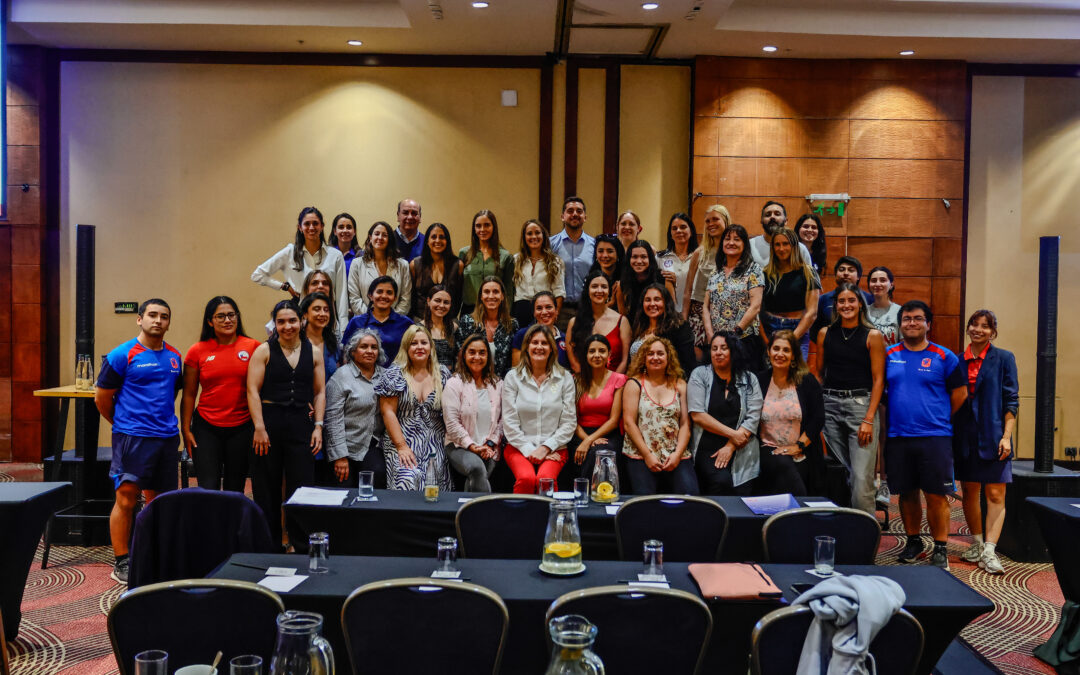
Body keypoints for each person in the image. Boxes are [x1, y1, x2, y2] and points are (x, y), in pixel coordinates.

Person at [95, 299, 183, 584]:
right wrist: (124, 425)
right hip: (133, 438)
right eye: (152, 315)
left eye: (164, 317)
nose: (158, 321)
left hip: (167, 438)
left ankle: (153, 552)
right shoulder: (121, 355)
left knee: (159, 500)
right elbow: (102, 399)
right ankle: (122, 560)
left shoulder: (174, 357)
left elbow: (171, 394)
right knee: (126, 498)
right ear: (140, 319)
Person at [886, 300, 967, 570]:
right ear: (900, 324)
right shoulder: (889, 354)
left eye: (918, 318)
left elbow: (960, 394)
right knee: (906, 494)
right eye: (907, 318)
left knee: (936, 495)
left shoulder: (944, 357)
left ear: (928, 324)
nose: (911, 323)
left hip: (935, 437)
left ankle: (941, 546)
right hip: (898, 436)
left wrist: (940, 417)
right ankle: (913, 541)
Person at [247, 300, 326, 549]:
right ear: (275, 324)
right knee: (266, 486)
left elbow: (321, 392)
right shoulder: (264, 351)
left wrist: (318, 426)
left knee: (302, 486)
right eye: (281, 321)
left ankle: (301, 544)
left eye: (292, 320)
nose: (287, 326)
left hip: (301, 423)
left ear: (301, 321)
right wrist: (259, 427)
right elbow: (252, 390)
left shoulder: (313, 351)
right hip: (268, 422)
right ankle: (268, 545)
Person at [954, 310, 1018, 575]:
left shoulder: (1004, 358)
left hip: (994, 436)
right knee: (969, 491)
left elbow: (1011, 400)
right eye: (974, 324)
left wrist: (1007, 436)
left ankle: (990, 550)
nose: (978, 329)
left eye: (985, 326)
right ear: (968, 328)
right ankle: (977, 543)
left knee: (995, 494)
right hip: (964, 436)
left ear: (993, 331)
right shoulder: (956, 360)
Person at [814, 284, 886, 515]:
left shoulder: (872, 336)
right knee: (840, 473)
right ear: (835, 305)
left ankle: (864, 538)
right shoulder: (825, 333)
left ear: (860, 304)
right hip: (830, 405)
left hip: (860, 407)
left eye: (851, 301)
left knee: (861, 477)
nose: (846, 305)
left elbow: (878, 379)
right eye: (841, 301)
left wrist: (868, 418)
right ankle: (842, 526)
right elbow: (819, 372)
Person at [181, 296, 260, 493]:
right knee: (208, 489)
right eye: (221, 316)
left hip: (242, 427)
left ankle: (232, 525)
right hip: (206, 428)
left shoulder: (253, 347)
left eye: (231, 315)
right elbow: (189, 394)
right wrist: (186, 429)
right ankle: (210, 525)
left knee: (235, 489)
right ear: (210, 321)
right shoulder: (197, 351)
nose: (227, 320)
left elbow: (263, 389)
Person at [501, 324, 577, 494]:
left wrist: (546, 448)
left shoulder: (564, 378)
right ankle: (518, 521)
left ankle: (550, 521)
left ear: (551, 348)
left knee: (546, 481)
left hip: (555, 448)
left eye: (544, 343)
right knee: (526, 479)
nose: (539, 347)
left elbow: (569, 422)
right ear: (526, 347)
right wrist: (531, 451)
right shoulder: (513, 377)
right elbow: (509, 423)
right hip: (518, 446)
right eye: (534, 342)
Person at [376, 325, 452, 491]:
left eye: (423, 343)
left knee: (434, 483)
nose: (419, 347)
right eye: (413, 343)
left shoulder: (443, 374)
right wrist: (401, 446)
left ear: (430, 346)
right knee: (408, 477)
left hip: (435, 440)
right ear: (406, 347)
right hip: (402, 438)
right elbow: (387, 412)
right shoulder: (395, 374)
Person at [688, 333, 763, 496]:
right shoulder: (700, 374)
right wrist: (733, 435)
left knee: (742, 494)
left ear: (734, 351)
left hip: (742, 448)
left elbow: (753, 417)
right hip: (708, 446)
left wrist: (731, 445)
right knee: (721, 482)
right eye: (714, 348)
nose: (718, 352)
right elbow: (697, 414)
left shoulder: (750, 379)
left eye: (724, 348)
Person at [251, 206, 348, 331]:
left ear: (322, 226)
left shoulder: (335, 255)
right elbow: (258, 275)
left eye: (315, 223)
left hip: (327, 319)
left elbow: (341, 296)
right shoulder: (290, 252)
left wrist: (343, 329)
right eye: (307, 224)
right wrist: (284, 286)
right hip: (299, 319)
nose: (311, 227)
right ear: (300, 227)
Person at [622, 337, 698, 495]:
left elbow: (685, 424)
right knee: (646, 503)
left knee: (690, 497)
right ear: (644, 357)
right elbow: (629, 423)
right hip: (641, 454)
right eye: (650, 354)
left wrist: (677, 455)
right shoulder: (634, 383)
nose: (655, 358)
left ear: (668, 357)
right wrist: (648, 455)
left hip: (675, 454)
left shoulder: (680, 384)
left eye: (660, 353)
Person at [755, 330, 824, 496]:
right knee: (783, 465)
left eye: (786, 350)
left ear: (793, 355)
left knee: (796, 470)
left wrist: (798, 446)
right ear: (769, 351)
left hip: (801, 449)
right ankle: (802, 514)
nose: (780, 354)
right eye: (776, 349)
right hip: (767, 449)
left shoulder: (807, 381)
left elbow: (818, 418)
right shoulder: (758, 380)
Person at [324, 329, 387, 488]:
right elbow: (333, 420)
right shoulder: (341, 377)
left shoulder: (386, 376)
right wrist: (340, 457)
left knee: (376, 482)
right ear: (353, 351)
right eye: (364, 347)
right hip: (346, 447)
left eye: (374, 347)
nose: (369, 351)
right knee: (344, 493)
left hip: (373, 446)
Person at [443, 333, 503, 492]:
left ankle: (464, 514)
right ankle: (485, 514)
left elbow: (503, 421)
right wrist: (472, 446)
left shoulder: (498, 384)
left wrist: (489, 443)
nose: (477, 357)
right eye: (472, 352)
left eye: (482, 352)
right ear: (463, 355)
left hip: (490, 447)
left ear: (488, 357)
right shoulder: (454, 383)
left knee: (476, 479)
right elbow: (452, 423)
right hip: (459, 445)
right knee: (477, 469)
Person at [702, 223, 765, 367]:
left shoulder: (753, 270)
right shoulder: (715, 272)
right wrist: (711, 335)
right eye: (727, 239)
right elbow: (706, 306)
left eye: (737, 239)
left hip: (743, 339)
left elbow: (755, 306)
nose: (731, 243)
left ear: (744, 244)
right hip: (716, 342)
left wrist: (735, 333)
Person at [570, 334, 626, 481]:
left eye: (602, 351)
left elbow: (614, 420)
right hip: (580, 433)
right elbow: (572, 419)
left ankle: (588, 496)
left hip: (608, 434)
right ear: (586, 355)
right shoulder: (576, 380)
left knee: (599, 452)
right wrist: (586, 439)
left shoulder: (619, 379)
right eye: (592, 351)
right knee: (581, 452)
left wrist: (589, 441)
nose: (597, 355)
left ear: (609, 354)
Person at [760, 228, 820, 359]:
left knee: (797, 376)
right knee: (771, 375)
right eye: (777, 244)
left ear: (794, 246)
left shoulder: (808, 272)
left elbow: (812, 313)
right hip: (770, 328)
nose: (781, 249)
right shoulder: (765, 274)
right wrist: (766, 340)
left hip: (798, 329)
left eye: (785, 244)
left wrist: (791, 339)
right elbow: (757, 309)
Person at [684, 204, 729, 355]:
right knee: (697, 359)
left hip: (724, 313)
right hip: (697, 313)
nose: (711, 224)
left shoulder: (734, 250)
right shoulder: (700, 253)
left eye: (715, 219)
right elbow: (688, 289)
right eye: (708, 221)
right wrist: (684, 319)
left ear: (726, 220)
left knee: (721, 356)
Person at [567, 270, 631, 374]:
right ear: (587, 290)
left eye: (604, 287)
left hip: (615, 383)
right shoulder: (574, 322)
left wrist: (611, 383)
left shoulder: (622, 321)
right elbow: (573, 362)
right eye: (594, 286)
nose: (599, 290)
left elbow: (625, 361)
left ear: (609, 291)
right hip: (583, 382)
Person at [341, 276, 414, 365]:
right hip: (362, 377)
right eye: (379, 292)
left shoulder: (406, 324)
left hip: (397, 376)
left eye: (389, 293)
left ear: (395, 298)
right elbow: (346, 354)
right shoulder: (356, 322)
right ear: (370, 296)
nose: (384, 296)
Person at [628, 284, 697, 377]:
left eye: (657, 299)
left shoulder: (679, 328)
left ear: (666, 302)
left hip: (665, 385)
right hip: (635, 382)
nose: (652, 304)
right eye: (648, 300)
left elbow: (688, 365)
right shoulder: (639, 327)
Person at [455, 276, 519, 378]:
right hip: (470, 381)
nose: (491, 296)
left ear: (502, 296)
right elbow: (459, 357)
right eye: (486, 292)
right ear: (481, 296)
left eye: (495, 292)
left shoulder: (512, 325)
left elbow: (510, 363)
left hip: (500, 383)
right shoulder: (467, 321)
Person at [348, 221, 412, 316]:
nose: (380, 238)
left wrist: (390, 320)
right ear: (370, 237)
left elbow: (405, 299)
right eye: (377, 234)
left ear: (389, 239)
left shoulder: (403, 265)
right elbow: (354, 298)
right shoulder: (357, 264)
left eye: (385, 235)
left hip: (395, 323)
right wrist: (372, 318)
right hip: (365, 323)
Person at [550, 196, 596, 331]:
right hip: (560, 310)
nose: (575, 214)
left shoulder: (594, 245)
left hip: (587, 309)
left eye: (579, 211)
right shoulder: (550, 244)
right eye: (570, 211)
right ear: (562, 216)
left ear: (585, 217)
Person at [459, 210, 514, 317]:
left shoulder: (505, 256)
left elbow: (509, 292)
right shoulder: (464, 253)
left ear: (494, 227)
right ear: (474, 229)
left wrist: (507, 315)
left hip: (495, 311)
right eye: (478, 226)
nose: (482, 229)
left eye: (487, 225)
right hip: (469, 310)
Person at [511, 219, 565, 327]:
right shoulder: (515, 260)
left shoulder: (555, 262)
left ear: (543, 235)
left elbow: (559, 291)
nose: (534, 237)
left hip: (544, 311)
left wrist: (555, 314)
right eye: (529, 233)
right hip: (520, 311)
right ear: (524, 237)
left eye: (537, 232)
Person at [810, 256, 874, 346]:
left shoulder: (869, 299)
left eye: (851, 270)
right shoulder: (823, 299)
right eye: (842, 270)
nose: (846, 273)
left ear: (859, 276)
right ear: (836, 274)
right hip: (831, 350)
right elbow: (814, 330)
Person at [409, 222, 464, 320]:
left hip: (448, 321)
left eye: (442, 237)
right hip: (420, 320)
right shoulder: (415, 265)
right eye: (433, 237)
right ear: (427, 241)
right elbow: (412, 297)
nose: (438, 240)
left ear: (447, 241)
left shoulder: (458, 265)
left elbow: (458, 297)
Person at [614, 240, 677, 317]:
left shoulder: (664, 279)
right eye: (634, 257)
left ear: (650, 258)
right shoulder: (622, 284)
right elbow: (623, 317)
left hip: (661, 326)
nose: (639, 261)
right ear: (629, 259)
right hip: (633, 327)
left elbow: (672, 311)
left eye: (643, 257)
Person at [511, 291, 570, 369]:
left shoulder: (565, 339)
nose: (544, 312)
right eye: (539, 308)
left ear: (556, 311)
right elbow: (516, 371)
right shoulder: (522, 335)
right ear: (534, 313)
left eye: (548, 307)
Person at [749, 201, 813, 269]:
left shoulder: (799, 248)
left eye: (777, 214)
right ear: (761, 221)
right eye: (768, 215)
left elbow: (809, 278)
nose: (772, 217)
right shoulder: (750, 246)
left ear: (786, 221)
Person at [656, 212, 698, 310]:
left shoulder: (700, 258)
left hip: (692, 313)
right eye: (674, 228)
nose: (678, 231)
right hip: (667, 312)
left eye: (683, 227)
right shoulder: (660, 258)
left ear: (691, 231)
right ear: (670, 234)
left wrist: (677, 281)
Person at [422, 285, 459, 369]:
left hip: (450, 377)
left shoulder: (455, 327)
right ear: (428, 301)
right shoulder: (419, 328)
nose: (442, 305)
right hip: (427, 376)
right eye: (437, 301)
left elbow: (458, 357)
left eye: (446, 302)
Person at [866, 266, 901, 346]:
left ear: (891, 284)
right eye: (874, 281)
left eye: (883, 280)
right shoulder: (863, 312)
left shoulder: (900, 311)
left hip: (892, 358)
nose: (878, 284)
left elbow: (904, 344)